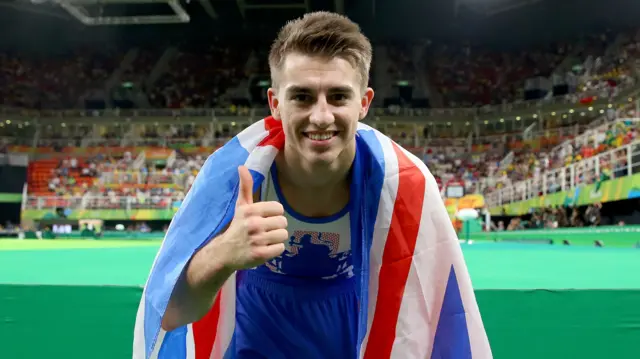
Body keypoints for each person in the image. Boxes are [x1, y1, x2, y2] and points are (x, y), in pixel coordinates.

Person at [134, 11, 491, 359]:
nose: (321, 116)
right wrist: (223, 254)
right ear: (275, 104)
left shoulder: (403, 186)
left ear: (363, 103)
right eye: (302, 96)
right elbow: (172, 313)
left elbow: (439, 322)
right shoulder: (233, 179)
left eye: (338, 96)